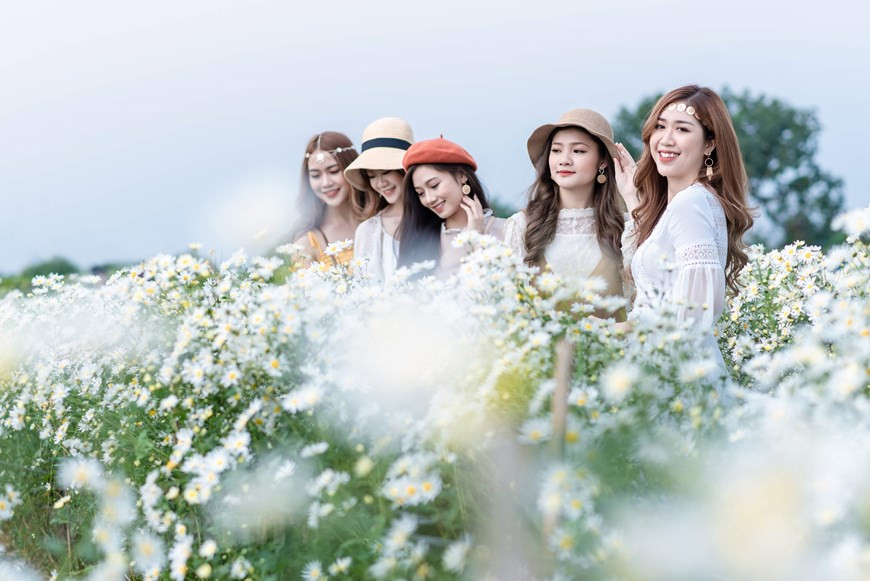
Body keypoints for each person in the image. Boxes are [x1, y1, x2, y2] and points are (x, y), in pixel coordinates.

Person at [614, 85, 754, 366]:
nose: (666, 139)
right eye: (660, 126)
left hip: (679, 374)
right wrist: (632, 198)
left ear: (709, 144)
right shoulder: (692, 203)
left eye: (682, 129)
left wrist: (614, 329)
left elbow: (692, 314)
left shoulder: (691, 203)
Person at [504, 109, 626, 318]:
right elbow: (509, 308)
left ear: (603, 161)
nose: (564, 160)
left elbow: (642, 307)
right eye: (556, 150)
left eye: (578, 151)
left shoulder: (625, 228)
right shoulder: (523, 226)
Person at [397, 137, 505, 278]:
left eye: (434, 185)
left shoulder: (508, 230)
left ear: (461, 176)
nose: (429, 199)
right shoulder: (421, 240)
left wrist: (475, 239)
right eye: (421, 193)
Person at [344, 117, 415, 283]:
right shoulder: (369, 230)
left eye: (386, 172)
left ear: (405, 170)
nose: (380, 183)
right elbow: (364, 290)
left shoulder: (436, 214)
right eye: (372, 176)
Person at [292, 131, 377, 268]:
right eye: (315, 175)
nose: (326, 183)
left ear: (351, 168)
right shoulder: (306, 244)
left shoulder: (380, 219)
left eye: (333, 171)